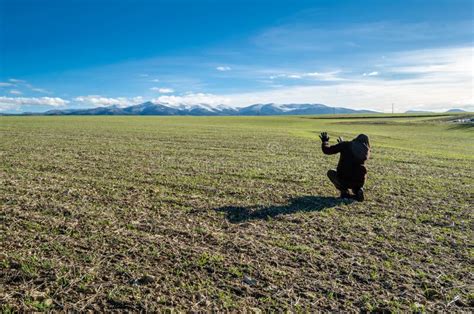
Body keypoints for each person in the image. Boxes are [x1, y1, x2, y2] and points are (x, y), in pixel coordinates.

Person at [319, 132, 370, 201]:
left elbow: (327, 150)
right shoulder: (366, 151)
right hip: (359, 181)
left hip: (344, 178)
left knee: (331, 173)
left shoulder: (346, 145)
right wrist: (342, 144)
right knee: (357, 176)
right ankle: (358, 191)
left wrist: (325, 141)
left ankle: (344, 192)